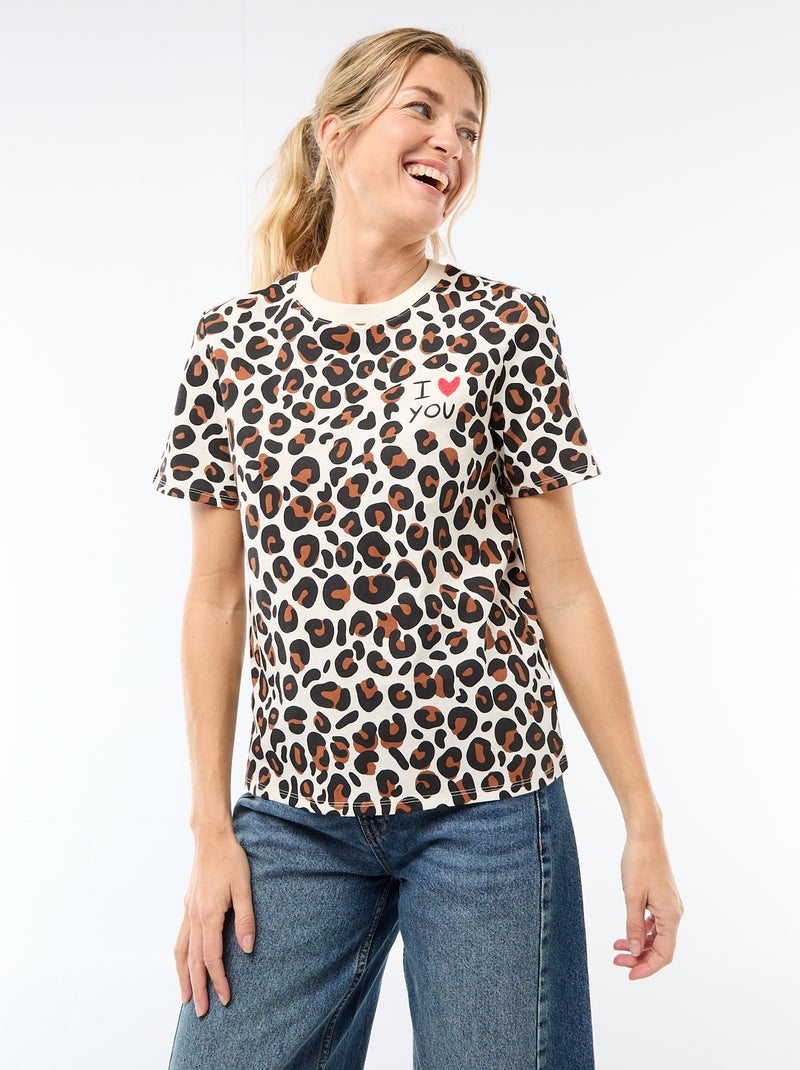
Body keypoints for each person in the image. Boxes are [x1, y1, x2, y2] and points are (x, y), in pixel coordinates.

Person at [153, 26, 683, 1070]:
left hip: (488, 810)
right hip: (295, 814)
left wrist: (643, 818)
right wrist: (212, 829)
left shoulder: (503, 327)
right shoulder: (231, 344)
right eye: (424, 110)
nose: (451, 141)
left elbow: (564, 586)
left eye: (470, 129)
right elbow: (215, 596)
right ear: (335, 133)